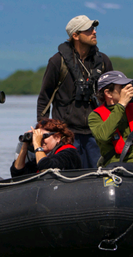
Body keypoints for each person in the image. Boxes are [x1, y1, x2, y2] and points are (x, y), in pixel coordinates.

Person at [37, 15, 113, 169]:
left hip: (96, 133)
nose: (94, 32)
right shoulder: (57, 62)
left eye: (94, 28)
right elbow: (45, 98)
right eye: (89, 29)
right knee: (71, 178)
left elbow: (114, 96)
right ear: (75, 36)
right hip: (67, 135)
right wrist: (43, 129)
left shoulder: (103, 61)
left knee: (100, 177)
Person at [88, 71, 133, 171]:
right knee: (113, 169)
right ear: (108, 93)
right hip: (116, 166)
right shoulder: (95, 116)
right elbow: (103, 136)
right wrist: (121, 105)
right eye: (122, 87)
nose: (128, 90)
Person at [10, 119, 81, 177]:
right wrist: (25, 145)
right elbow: (17, 173)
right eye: (38, 137)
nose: (40, 140)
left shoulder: (69, 153)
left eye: (43, 136)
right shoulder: (45, 156)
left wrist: (37, 145)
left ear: (57, 137)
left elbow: (46, 167)